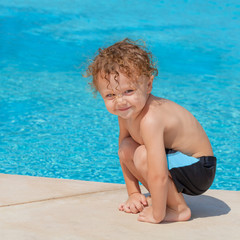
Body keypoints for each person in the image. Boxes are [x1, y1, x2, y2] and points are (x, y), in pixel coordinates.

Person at [85, 38, 216, 224]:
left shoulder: (151, 119)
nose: (120, 101)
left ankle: (178, 208)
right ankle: (166, 199)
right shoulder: (127, 113)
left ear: (148, 85)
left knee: (143, 155)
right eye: (110, 95)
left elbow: (158, 172)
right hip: (179, 163)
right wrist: (133, 193)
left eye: (128, 91)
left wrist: (157, 213)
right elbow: (123, 155)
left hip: (199, 168)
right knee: (127, 147)